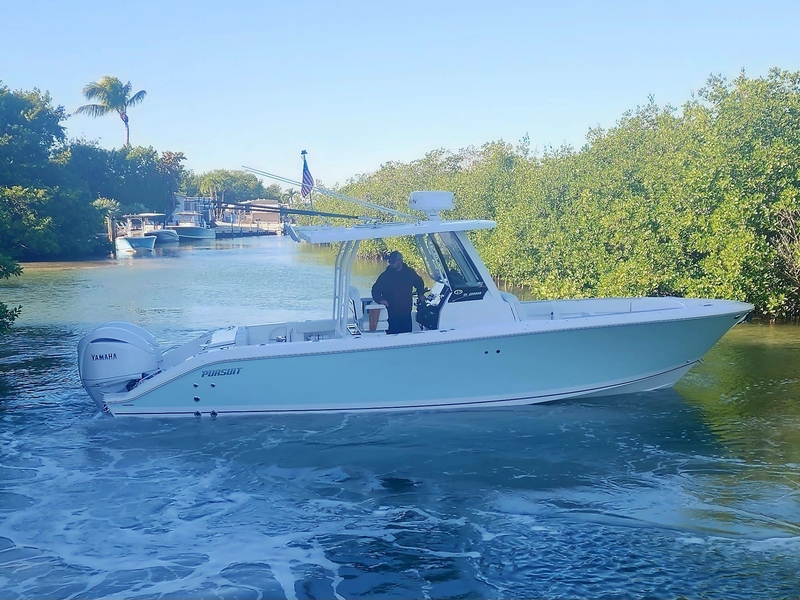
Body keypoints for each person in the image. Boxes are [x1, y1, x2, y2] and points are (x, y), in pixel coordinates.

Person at [371, 250, 425, 334]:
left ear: (400, 261)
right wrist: (380, 300)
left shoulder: (409, 273)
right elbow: (375, 290)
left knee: (407, 335)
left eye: (393, 262)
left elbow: (419, 282)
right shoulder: (385, 276)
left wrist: (420, 294)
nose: (390, 264)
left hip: (406, 312)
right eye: (389, 262)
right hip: (391, 313)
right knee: (393, 335)